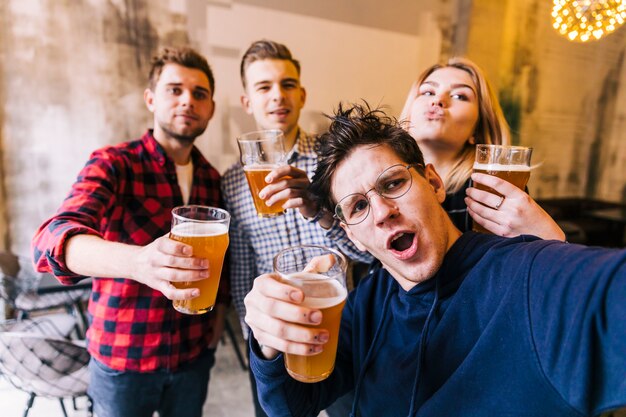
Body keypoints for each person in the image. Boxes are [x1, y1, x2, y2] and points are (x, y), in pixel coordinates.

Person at [243, 103, 626, 416]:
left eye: (393, 183)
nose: (381, 212)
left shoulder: (525, 276)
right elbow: (291, 406)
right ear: (348, 232)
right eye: (358, 206)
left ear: (434, 184)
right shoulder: (364, 303)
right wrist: (268, 344)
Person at [32, 47, 228, 417]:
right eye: (175, 90)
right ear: (151, 99)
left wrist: (218, 316)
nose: (187, 101)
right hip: (123, 356)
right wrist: (139, 261)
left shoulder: (212, 179)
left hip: (192, 353)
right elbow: (52, 238)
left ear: (211, 109)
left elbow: (224, 260)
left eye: (199, 94)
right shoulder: (113, 163)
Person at [221, 40, 371, 417]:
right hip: (274, 332)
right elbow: (242, 267)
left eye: (287, 85)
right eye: (264, 87)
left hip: (339, 328)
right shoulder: (234, 181)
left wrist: (319, 207)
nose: (277, 96)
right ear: (247, 103)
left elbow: (366, 251)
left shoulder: (335, 160)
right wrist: (252, 333)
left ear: (302, 94)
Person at [400, 57, 565, 240]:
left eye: (459, 96)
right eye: (428, 92)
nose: (438, 100)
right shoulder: (382, 175)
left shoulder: (490, 187)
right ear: (409, 112)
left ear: (477, 129)